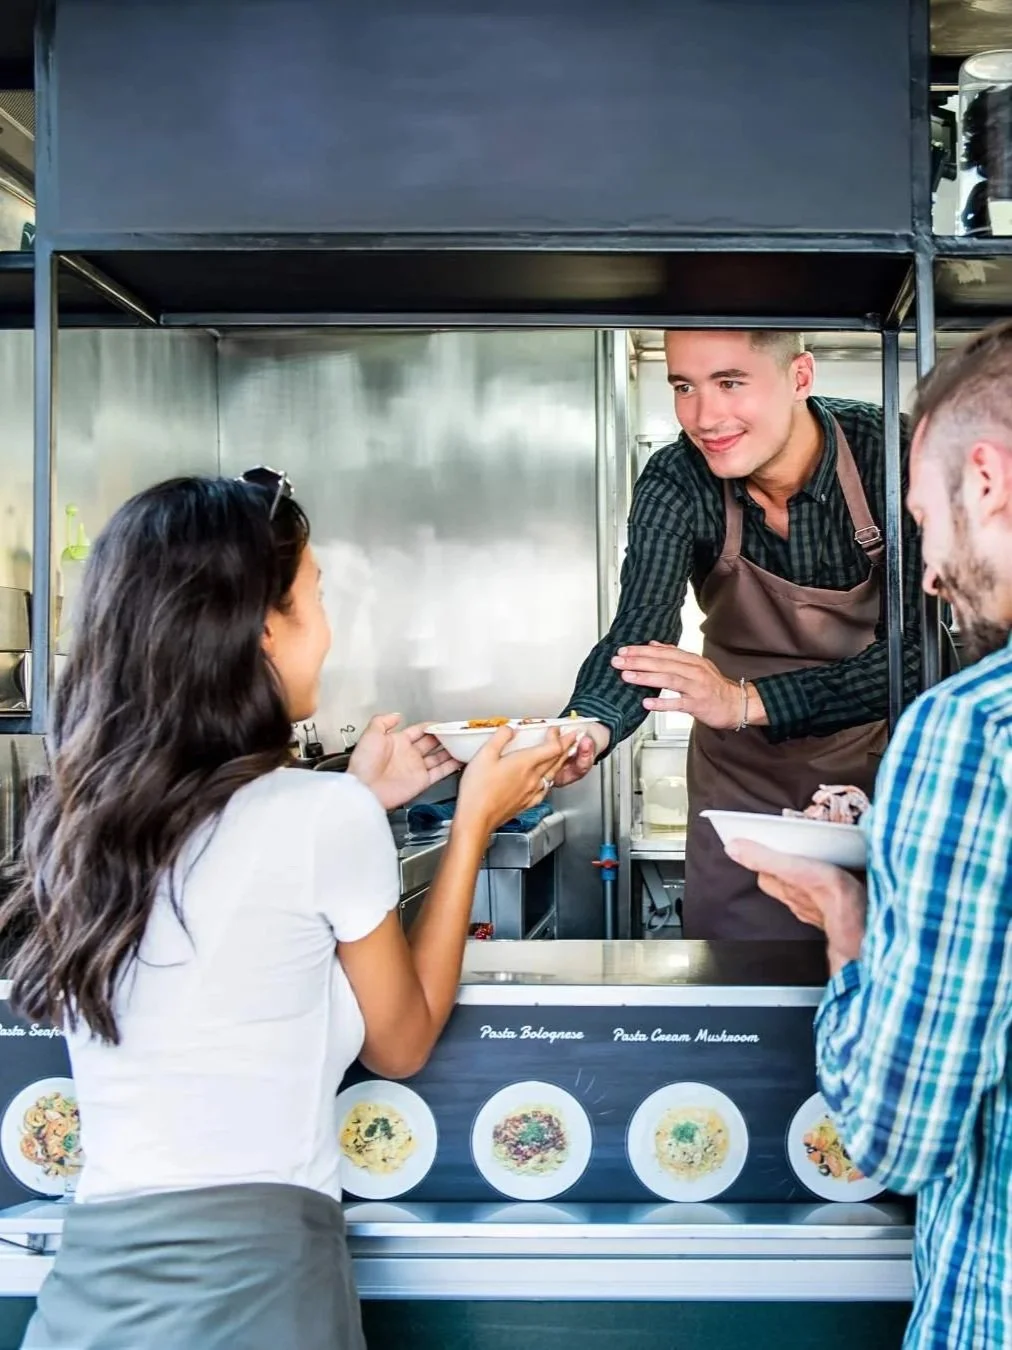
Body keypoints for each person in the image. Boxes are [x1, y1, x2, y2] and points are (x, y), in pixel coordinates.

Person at [0, 471, 574, 1350]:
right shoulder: (316, 818)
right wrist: (472, 827)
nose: (328, 630)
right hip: (258, 1294)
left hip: (90, 1295)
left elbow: (241, 898)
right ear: (262, 630)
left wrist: (356, 797)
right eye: (314, 599)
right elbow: (402, 1041)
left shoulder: (76, 823)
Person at [725, 320, 1012, 1349]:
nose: (929, 572)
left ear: (985, 481)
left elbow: (894, 1134)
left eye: (927, 522)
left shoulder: (975, 729)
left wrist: (849, 915)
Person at [556, 329, 922, 940]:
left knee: (882, 957)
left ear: (800, 378)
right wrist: (584, 729)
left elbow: (923, 656)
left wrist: (745, 701)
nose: (705, 417)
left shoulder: (895, 454)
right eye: (683, 387)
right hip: (738, 790)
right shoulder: (678, 478)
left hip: (879, 775)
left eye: (729, 383)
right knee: (736, 979)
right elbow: (642, 630)